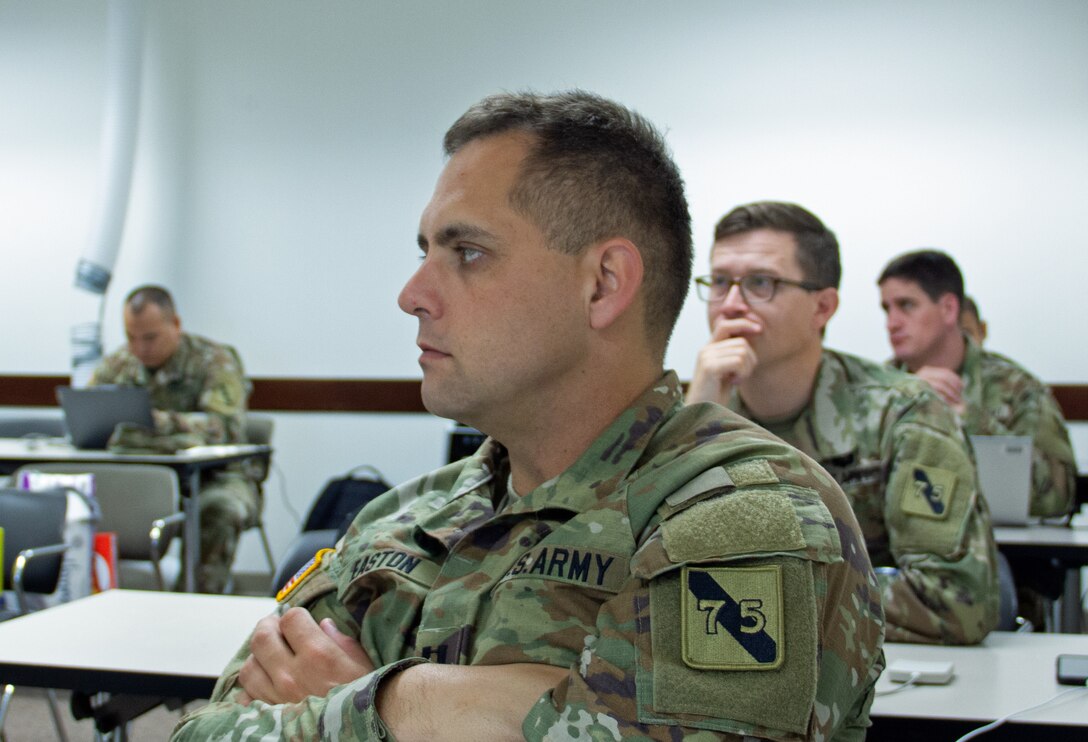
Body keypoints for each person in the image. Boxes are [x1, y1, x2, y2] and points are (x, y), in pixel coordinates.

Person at [173, 92, 884, 740]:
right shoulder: (407, 517)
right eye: (425, 252)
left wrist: (373, 701)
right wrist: (479, 712)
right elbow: (202, 732)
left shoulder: (740, 517)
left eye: (468, 253)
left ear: (602, 284)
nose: (412, 293)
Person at [687, 201, 998, 645]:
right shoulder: (700, 409)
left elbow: (954, 601)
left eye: (761, 283)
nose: (731, 305)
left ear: (823, 307)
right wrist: (696, 429)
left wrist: (757, 597)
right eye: (720, 282)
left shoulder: (904, 414)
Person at [878, 250, 1076, 519]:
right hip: (888, 550)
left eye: (907, 305)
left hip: (996, 549)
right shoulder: (877, 388)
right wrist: (900, 404)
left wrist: (969, 419)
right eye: (887, 309)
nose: (892, 323)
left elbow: (1058, 496)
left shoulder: (1016, 388)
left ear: (948, 308)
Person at [90, 285, 262, 594]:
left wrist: (156, 422)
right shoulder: (119, 365)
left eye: (150, 337)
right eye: (131, 337)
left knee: (219, 509)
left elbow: (224, 426)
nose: (140, 348)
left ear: (176, 325)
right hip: (136, 482)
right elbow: (87, 411)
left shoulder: (214, 360)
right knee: (76, 502)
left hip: (214, 479)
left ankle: (196, 604)